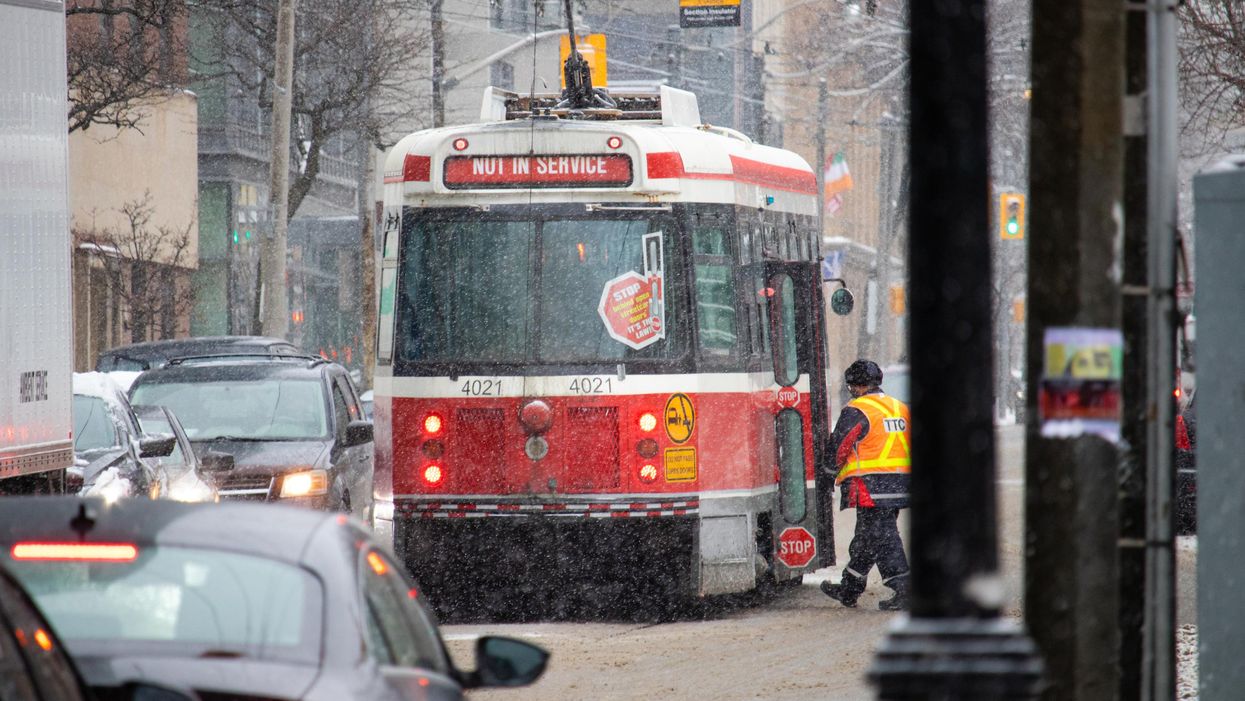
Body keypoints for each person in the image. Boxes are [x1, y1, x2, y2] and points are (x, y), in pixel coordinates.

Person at [820, 359, 912, 610]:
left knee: (883, 537)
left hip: (871, 485)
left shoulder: (858, 409)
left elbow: (840, 445)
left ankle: (904, 588)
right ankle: (849, 588)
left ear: (855, 385)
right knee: (868, 537)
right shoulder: (899, 407)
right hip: (900, 483)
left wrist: (827, 474)